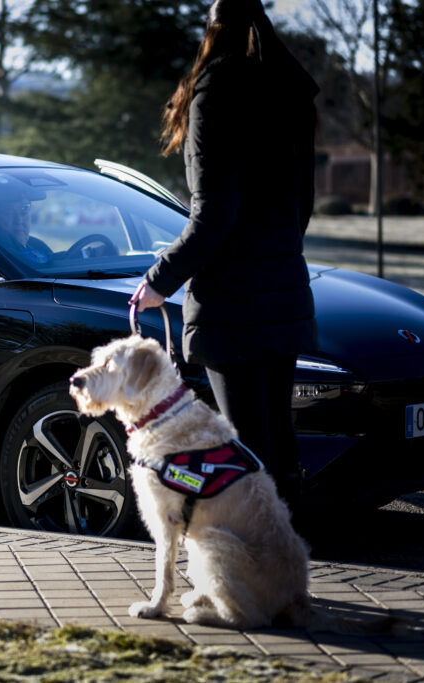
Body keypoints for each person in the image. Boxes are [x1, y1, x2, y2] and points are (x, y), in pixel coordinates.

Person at [129, 0, 319, 504]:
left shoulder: (215, 92)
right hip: (285, 293)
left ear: (212, 30)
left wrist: (158, 280)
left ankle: (253, 570)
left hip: (232, 302)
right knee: (278, 440)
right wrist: (273, 254)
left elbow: (214, 215)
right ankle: (285, 562)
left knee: (245, 448)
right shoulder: (288, 92)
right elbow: (303, 207)